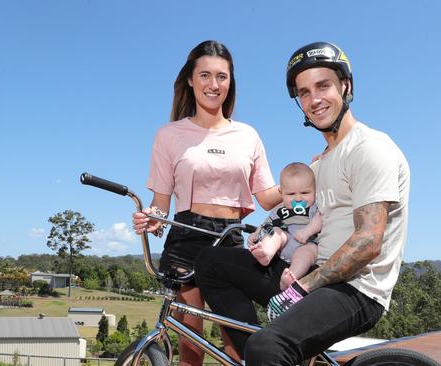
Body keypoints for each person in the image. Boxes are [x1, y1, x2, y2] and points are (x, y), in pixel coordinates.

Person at [194, 41, 410, 365]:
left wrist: (301, 288)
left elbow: (368, 242)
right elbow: (288, 209)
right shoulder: (319, 165)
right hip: (311, 271)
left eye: (323, 86)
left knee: (268, 348)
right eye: (304, 92)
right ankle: (259, 352)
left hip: (356, 289)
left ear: (346, 86)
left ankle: (268, 349)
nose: (314, 100)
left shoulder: (370, 149)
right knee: (211, 263)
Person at [132, 40, 281, 366]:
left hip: (230, 239)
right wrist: (151, 218)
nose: (214, 85)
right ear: (190, 79)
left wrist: (306, 186)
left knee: (238, 345)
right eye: (205, 75)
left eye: (222, 77)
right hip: (185, 238)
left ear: (231, 82)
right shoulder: (169, 135)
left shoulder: (248, 135)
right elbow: (161, 205)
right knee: (192, 348)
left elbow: (268, 196)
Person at [248, 162, 322, 290]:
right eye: (291, 194)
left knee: (309, 252)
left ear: (315, 190)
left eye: (305, 192)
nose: (298, 198)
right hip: (285, 242)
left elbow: (321, 219)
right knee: (276, 232)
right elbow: (267, 224)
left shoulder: (315, 207)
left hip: (306, 243)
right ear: (281, 193)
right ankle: (266, 253)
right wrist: (256, 234)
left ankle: (290, 278)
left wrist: (307, 231)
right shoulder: (280, 210)